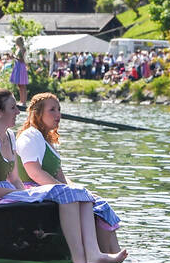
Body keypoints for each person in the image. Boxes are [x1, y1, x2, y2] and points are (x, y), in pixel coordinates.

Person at [0, 88, 126, 263]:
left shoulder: (9, 136)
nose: (18, 112)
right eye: (13, 108)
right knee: (64, 193)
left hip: (7, 193)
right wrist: (25, 194)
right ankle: (80, 260)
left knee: (78, 193)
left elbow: (15, 178)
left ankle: (92, 254)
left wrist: (26, 194)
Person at [16, 93, 122, 254]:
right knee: (81, 197)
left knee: (99, 204)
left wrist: (79, 191)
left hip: (51, 190)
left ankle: (112, 255)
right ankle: (97, 255)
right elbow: (34, 173)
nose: (58, 114)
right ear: (37, 113)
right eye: (52, 110)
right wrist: (69, 192)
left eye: (59, 109)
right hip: (33, 191)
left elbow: (60, 177)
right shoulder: (31, 136)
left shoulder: (48, 141)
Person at [10, 35, 30, 105]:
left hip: (21, 66)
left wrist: (14, 57)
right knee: (19, 85)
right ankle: (21, 101)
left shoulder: (22, 49)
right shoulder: (17, 49)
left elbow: (22, 60)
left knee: (22, 85)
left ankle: (23, 101)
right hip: (18, 66)